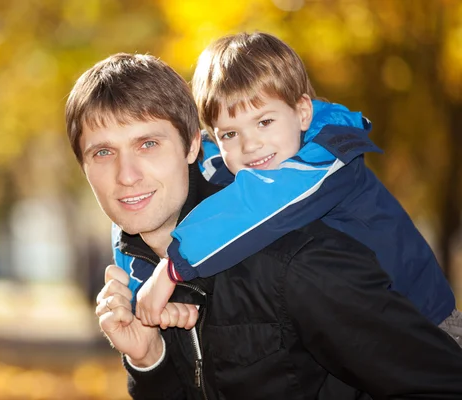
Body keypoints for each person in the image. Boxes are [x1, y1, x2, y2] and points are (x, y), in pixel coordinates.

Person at [65, 52, 462, 399]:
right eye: (103, 152)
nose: (127, 175)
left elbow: (441, 384)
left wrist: (173, 266)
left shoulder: (292, 260)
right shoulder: (142, 266)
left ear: (191, 144)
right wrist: (150, 360)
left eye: (147, 144)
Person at [132, 32, 462, 345]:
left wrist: (172, 268)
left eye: (264, 122)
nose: (250, 144)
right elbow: (180, 183)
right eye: (230, 134)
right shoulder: (255, 157)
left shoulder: (325, 159)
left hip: (428, 331)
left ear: (302, 113)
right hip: (361, 334)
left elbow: (258, 203)